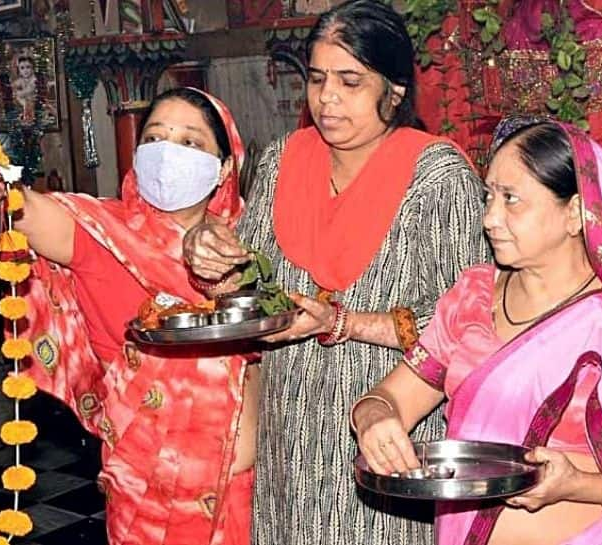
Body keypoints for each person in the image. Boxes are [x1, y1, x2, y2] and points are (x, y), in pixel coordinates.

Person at [183, 2, 490, 544]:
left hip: (387, 436)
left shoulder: (437, 176)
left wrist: (343, 323)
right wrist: (213, 260)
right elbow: (250, 290)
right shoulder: (283, 160)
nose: (326, 99)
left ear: (393, 92)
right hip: (291, 440)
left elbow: (466, 325)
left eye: (350, 81)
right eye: (319, 79)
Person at [0, 70, 257, 545]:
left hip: (248, 495)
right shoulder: (103, 235)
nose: (168, 152)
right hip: (145, 495)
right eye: (154, 138)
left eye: (190, 142)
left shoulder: (256, 242)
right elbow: (16, 205)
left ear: (225, 167)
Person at [352, 117, 602, 545]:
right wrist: (375, 420)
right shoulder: (473, 296)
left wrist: (575, 482)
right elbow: (388, 398)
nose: (490, 218)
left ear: (574, 213)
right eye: (489, 197)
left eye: (511, 199)